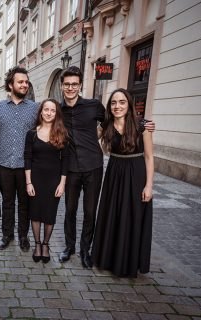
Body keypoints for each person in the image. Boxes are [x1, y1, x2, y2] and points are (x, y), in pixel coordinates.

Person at [58, 66, 155, 268]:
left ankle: (86, 250)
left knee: (90, 212)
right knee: (69, 211)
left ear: (80, 85)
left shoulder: (94, 105)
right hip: (71, 167)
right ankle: (70, 247)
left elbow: (114, 119)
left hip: (94, 166)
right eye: (67, 84)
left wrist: (143, 122)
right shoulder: (58, 110)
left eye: (74, 84)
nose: (70, 88)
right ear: (61, 86)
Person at [91, 88, 154, 277]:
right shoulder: (106, 126)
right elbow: (87, 137)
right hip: (114, 173)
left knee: (131, 216)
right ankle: (108, 259)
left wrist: (149, 185)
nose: (117, 106)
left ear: (129, 105)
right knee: (112, 214)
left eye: (122, 102)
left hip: (136, 174)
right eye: (113, 103)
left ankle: (127, 262)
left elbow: (150, 157)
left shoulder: (142, 125)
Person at [0, 66, 38, 251]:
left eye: (26, 82)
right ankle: (7, 234)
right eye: (20, 82)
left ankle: (23, 235)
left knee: (24, 203)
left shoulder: (35, 109)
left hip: (25, 165)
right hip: (4, 162)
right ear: (10, 85)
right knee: (7, 202)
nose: (24, 85)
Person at [24, 99, 69, 263]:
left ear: (56, 113)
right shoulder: (31, 133)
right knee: (35, 213)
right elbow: (27, 158)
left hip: (54, 180)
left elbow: (65, 161)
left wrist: (62, 183)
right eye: (46, 110)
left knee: (49, 214)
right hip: (35, 179)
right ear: (41, 112)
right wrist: (28, 182)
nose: (49, 113)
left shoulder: (62, 133)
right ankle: (37, 244)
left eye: (52, 110)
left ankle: (45, 244)